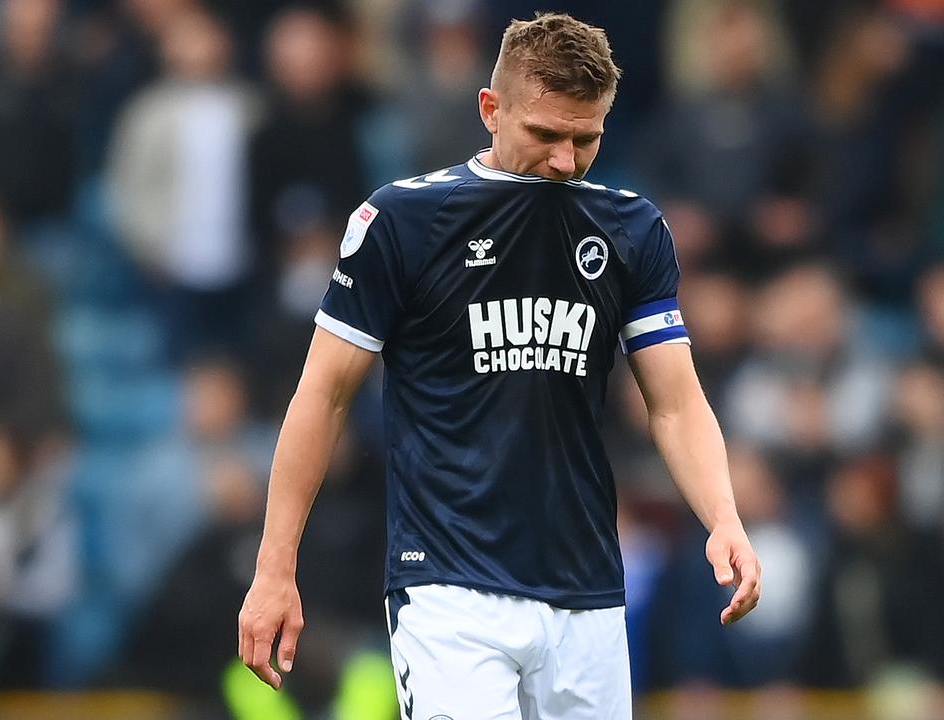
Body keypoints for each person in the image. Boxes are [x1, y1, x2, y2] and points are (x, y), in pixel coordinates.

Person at [237, 12, 762, 718]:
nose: (566, 161)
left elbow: (675, 401)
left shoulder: (633, 229)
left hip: (587, 593)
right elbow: (322, 396)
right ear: (491, 109)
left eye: (587, 138)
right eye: (544, 135)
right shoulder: (403, 222)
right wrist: (275, 569)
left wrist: (723, 517)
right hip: (450, 589)